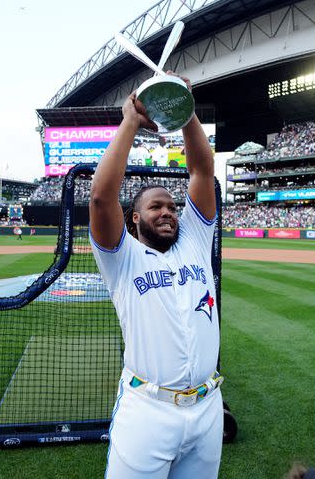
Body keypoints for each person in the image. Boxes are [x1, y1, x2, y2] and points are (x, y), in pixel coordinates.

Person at [89, 71, 223, 479]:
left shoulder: (195, 242)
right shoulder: (122, 258)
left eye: (171, 205)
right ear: (135, 219)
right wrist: (131, 120)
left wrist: (182, 107)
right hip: (148, 412)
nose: (167, 211)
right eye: (155, 207)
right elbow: (100, 197)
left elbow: (202, 170)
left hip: (207, 409)